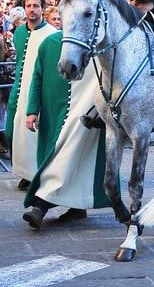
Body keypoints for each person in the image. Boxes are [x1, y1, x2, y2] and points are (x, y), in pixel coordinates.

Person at [20, 29, 109, 229]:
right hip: (53, 113)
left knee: (68, 157)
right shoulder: (49, 42)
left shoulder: (98, 43)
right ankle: (77, 207)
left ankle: (40, 207)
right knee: (53, 157)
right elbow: (38, 76)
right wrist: (32, 110)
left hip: (86, 112)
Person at [5, 0, 56, 189]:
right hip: (17, 89)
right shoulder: (18, 33)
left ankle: (33, 175)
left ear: (43, 9)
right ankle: (24, 170)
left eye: (36, 6)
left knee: (33, 136)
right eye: (28, 6)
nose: (32, 9)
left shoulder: (51, 34)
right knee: (11, 133)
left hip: (38, 92)